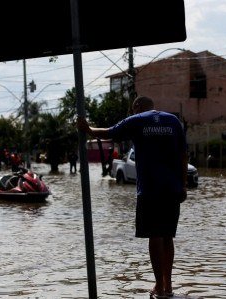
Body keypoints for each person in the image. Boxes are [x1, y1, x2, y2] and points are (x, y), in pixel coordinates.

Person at [78, 96, 187, 298]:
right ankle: (169, 285)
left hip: (150, 189)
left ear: (137, 106)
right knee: (167, 236)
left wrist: (89, 129)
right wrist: (183, 185)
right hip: (172, 188)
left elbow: (109, 132)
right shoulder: (173, 121)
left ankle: (159, 287)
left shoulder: (136, 120)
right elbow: (184, 155)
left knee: (155, 236)